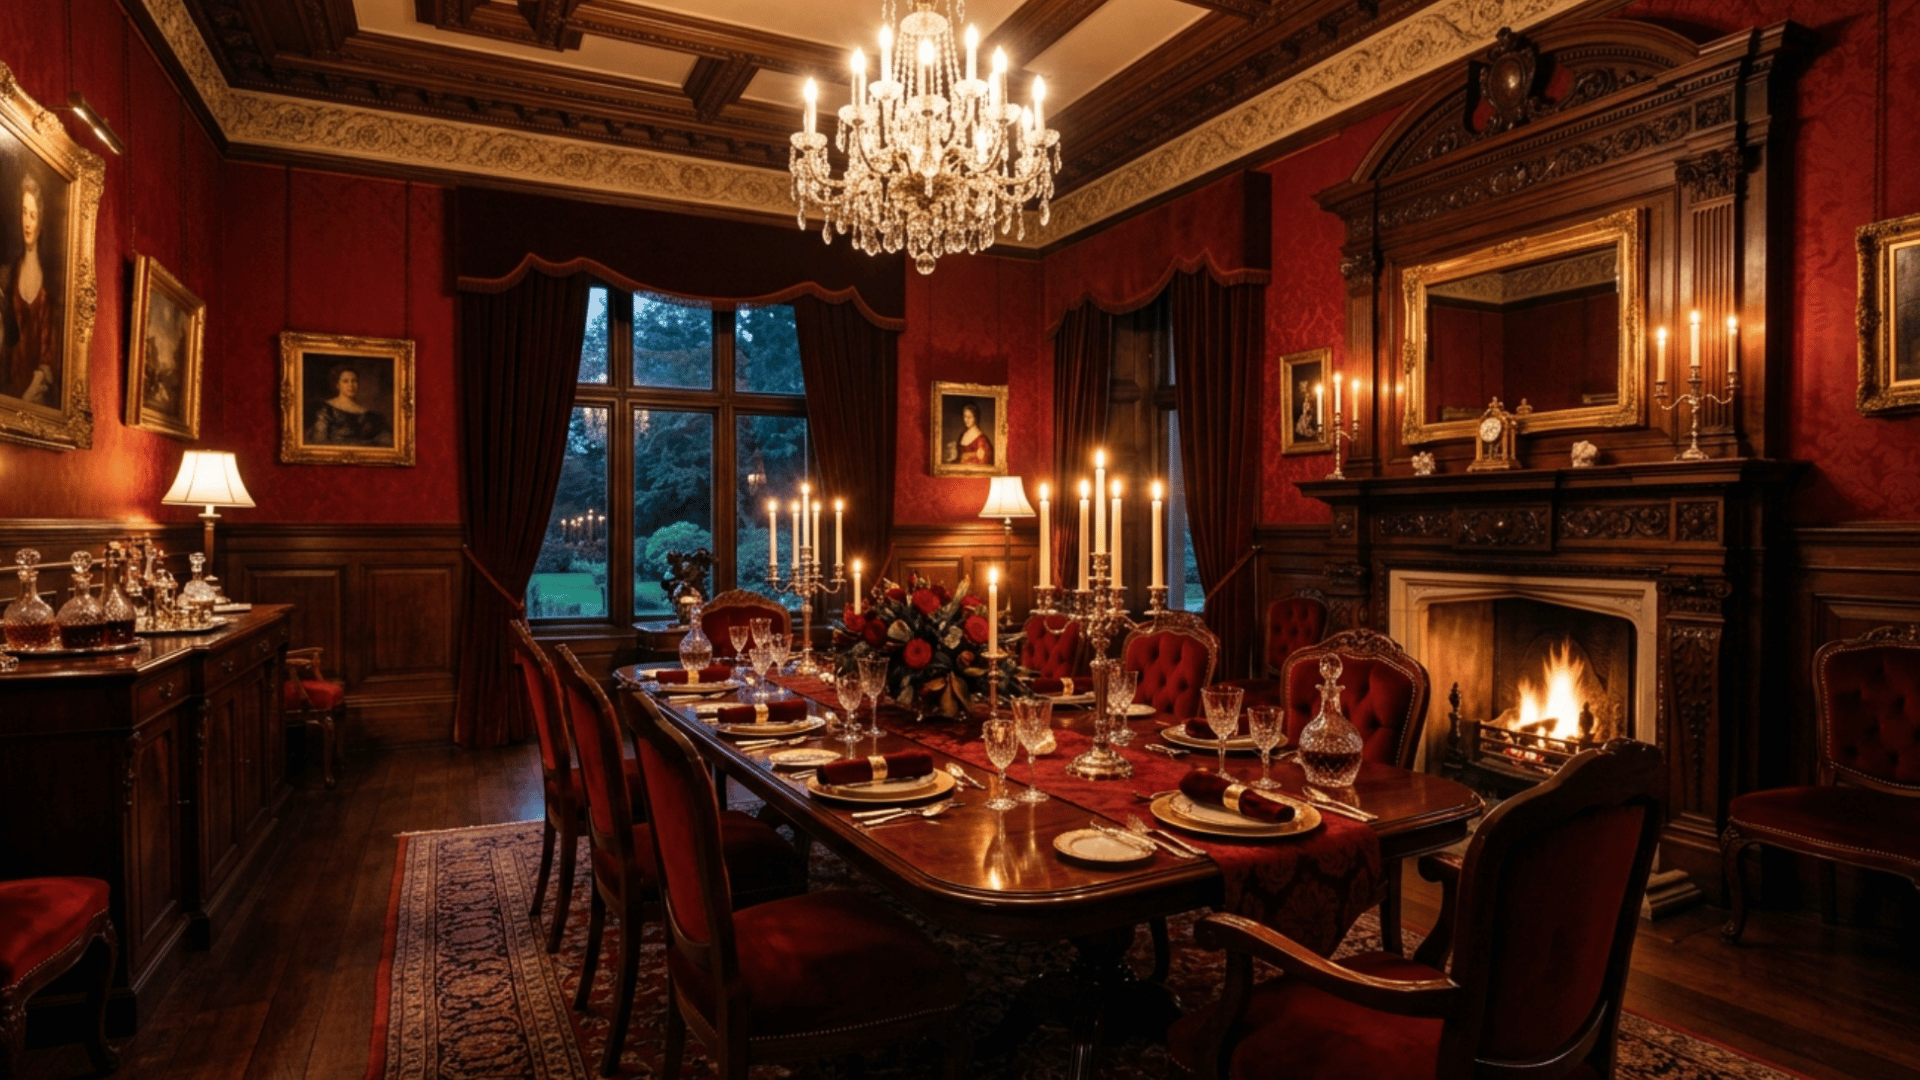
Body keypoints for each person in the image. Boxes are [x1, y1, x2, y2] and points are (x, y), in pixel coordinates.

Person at [2, 174, 58, 405]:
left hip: (35, 397)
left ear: (41, 222)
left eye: (33, 216)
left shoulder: (49, 283)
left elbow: (48, 358)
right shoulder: (9, 273)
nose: (27, 222)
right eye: (24, 212)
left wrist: (28, 398)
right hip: (7, 386)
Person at [307, 363, 392, 446]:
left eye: (354, 381)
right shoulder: (326, 410)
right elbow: (320, 442)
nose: (351, 385)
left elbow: (385, 441)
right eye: (345, 381)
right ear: (337, 385)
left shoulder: (368, 414)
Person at [946, 402, 993, 466]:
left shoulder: (981, 439)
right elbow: (959, 458)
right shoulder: (963, 435)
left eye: (969, 417)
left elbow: (984, 462)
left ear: (975, 418)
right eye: (965, 416)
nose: (966, 420)